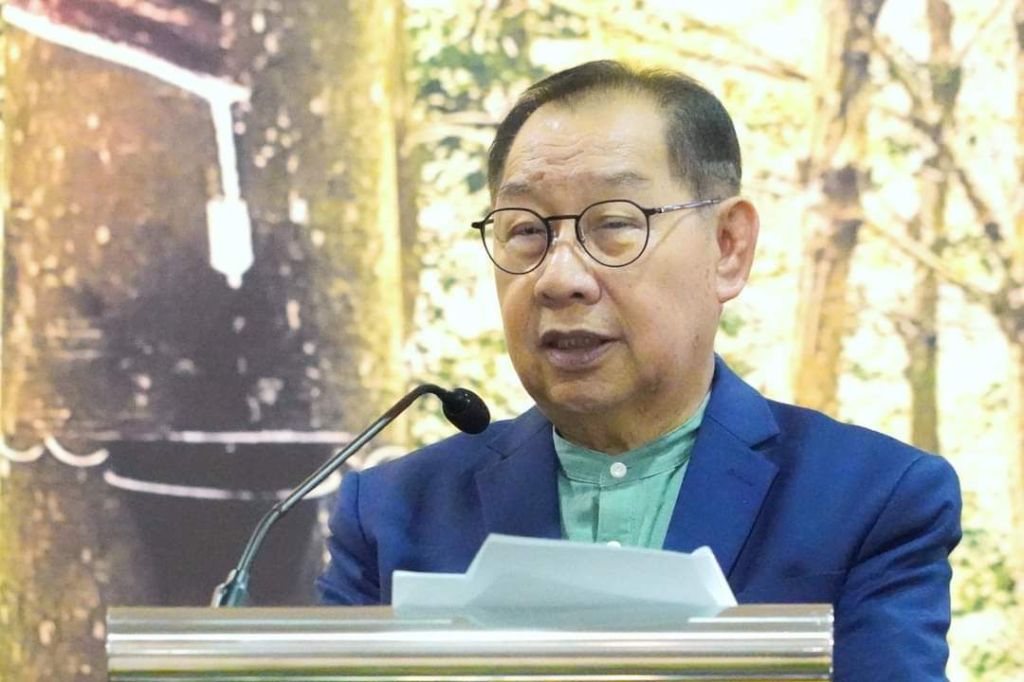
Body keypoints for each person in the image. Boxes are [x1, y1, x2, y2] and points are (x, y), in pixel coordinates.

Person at [317, 60, 961, 680]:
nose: (559, 278)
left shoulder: (871, 499)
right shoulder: (392, 514)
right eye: (525, 231)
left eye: (614, 224)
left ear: (728, 248)